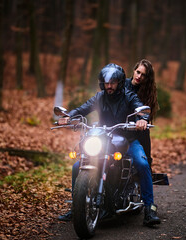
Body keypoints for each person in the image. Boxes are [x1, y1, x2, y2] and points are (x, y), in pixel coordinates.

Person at [57, 63, 160, 227]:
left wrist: (142, 119)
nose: (109, 86)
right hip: (104, 138)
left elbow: (139, 109)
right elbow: (83, 109)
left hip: (128, 139)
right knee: (78, 166)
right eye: (106, 83)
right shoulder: (99, 97)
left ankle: (150, 208)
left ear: (119, 83)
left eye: (112, 83)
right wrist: (68, 116)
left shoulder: (128, 96)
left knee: (142, 163)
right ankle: (77, 207)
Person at [125, 59, 159, 166]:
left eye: (143, 75)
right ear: (134, 71)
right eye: (138, 72)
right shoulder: (122, 85)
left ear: (147, 78)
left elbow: (145, 113)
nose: (139, 76)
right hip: (120, 127)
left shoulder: (147, 93)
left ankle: (146, 181)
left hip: (139, 129)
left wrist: (142, 121)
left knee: (144, 163)